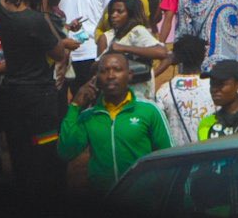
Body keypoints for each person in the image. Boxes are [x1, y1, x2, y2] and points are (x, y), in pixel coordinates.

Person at [0, 0, 73, 188]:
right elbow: (59, 53)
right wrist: (44, 10)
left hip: (12, 91)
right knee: (46, 150)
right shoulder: (35, 20)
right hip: (40, 97)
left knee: (19, 150)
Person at [56, 51, 172, 190]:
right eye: (104, 71)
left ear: (129, 75)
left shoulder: (149, 110)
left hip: (142, 199)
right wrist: (74, 107)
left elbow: (168, 156)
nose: (111, 76)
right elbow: (66, 152)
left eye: (117, 70)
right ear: (96, 78)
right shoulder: (88, 116)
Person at [154, 34, 214, 146]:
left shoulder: (165, 90)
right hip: (209, 152)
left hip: (178, 155)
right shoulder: (215, 87)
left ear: (176, 59)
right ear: (203, 57)